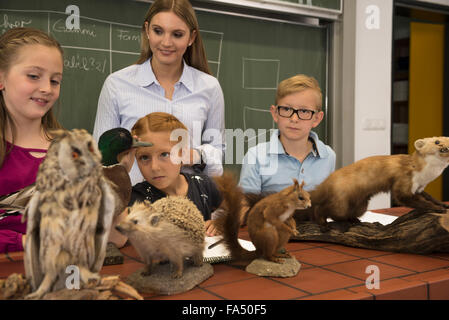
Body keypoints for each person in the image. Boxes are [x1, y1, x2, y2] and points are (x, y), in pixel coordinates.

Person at [93, 0, 225, 186]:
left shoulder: (209, 88)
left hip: (188, 204)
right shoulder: (117, 85)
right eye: (158, 31)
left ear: (191, 38)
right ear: (147, 30)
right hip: (133, 204)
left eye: (177, 34)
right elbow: (100, 158)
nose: (166, 42)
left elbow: (218, 154)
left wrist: (196, 155)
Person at [108, 112, 222, 248]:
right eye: (144, 157)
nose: (154, 167)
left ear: (182, 153)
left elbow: (239, 209)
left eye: (164, 154)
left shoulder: (202, 184)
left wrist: (221, 222)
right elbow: (116, 241)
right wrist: (121, 172)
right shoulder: (136, 198)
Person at [0, 27, 64, 253]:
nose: (46, 88)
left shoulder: (69, 151)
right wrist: (23, 243)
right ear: (2, 77)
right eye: (34, 76)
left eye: (55, 81)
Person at [239, 74, 336, 194]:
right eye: (286, 109)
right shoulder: (255, 156)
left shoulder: (328, 156)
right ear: (275, 113)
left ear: (316, 118)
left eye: (304, 111)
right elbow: (244, 206)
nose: (294, 118)